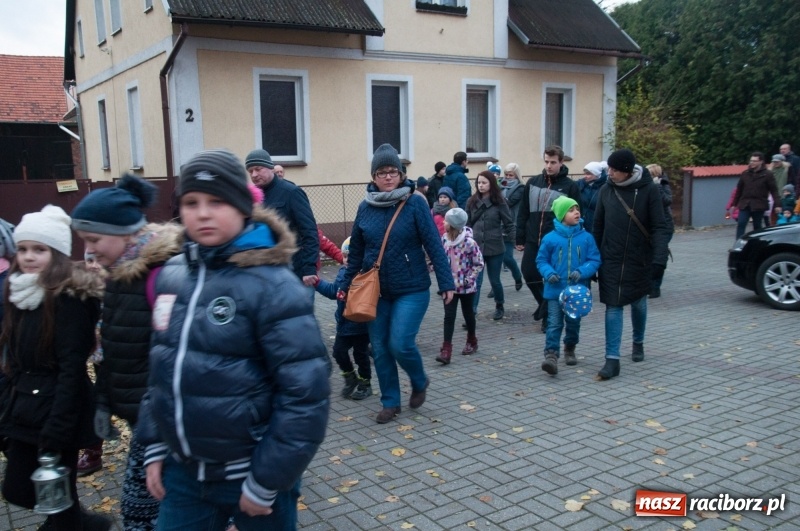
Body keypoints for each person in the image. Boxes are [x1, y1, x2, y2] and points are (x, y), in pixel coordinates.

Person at [137, 149, 330, 530]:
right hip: (185, 474)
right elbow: (162, 368)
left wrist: (267, 480)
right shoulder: (172, 275)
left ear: (243, 206)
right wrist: (155, 444)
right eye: (191, 202)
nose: (203, 213)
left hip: (254, 477)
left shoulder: (273, 285)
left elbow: (306, 395)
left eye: (217, 201)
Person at [72, 174, 183, 531]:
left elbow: (179, 359)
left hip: (169, 428)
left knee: (145, 515)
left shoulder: (162, 275)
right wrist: (104, 400)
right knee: (141, 513)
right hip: (145, 423)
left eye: (94, 239)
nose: (88, 250)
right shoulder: (119, 275)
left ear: (125, 232)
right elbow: (115, 349)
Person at [0, 205, 111, 531]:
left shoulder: (68, 300)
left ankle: (77, 525)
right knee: (20, 489)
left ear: (59, 254)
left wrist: (58, 428)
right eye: (23, 249)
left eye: (39, 249)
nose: (29, 256)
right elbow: (16, 359)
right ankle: (85, 525)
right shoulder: (21, 291)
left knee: (55, 498)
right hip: (25, 405)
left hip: (58, 410)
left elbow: (71, 370)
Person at [341, 143, 455, 424]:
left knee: (400, 343)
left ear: (402, 174)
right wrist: (344, 285)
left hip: (412, 287)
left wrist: (446, 282)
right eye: (382, 172)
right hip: (376, 291)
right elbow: (355, 251)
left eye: (393, 171)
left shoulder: (415, 202)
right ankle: (390, 402)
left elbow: (434, 244)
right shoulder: (365, 207)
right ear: (373, 177)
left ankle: (419, 380)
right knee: (379, 347)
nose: (388, 177)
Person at [592, 149, 670, 380]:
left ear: (627, 171)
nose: (610, 173)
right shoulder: (606, 190)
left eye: (615, 170)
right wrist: (595, 260)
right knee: (613, 306)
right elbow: (598, 227)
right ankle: (612, 359)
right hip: (611, 259)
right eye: (609, 168)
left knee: (638, 303)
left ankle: (638, 342)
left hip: (639, 259)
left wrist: (659, 259)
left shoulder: (649, 191)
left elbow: (659, 227)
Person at [516, 145, 581, 332]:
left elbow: (577, 216)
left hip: (556, 242)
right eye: (546, 161)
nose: (549, 166)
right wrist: (519, 237)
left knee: (552, 278)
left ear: (561, 162)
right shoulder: (533, 183)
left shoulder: (570, 186)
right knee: (529, 273)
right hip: (532, 239)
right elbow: (523, 212)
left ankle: (548, 316)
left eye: (553, 162)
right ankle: (545, 307)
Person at [535, 197, 601, 375]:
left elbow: (594, 259)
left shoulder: (586, 237)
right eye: (571, 210)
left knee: (573, 323)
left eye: (577, 209)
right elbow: (541, 260)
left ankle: (570, 347)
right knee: (554, 324)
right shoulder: (550, 238)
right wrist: (548, 273)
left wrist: (583, 271)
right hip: (555, 291)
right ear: (562, 215)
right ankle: (551, 355)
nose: (577, 213)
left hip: (577, 292)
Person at [245, 149, 320, 291]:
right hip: (263, 271)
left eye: (258, 169)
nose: (254, 175)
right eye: (250, 171)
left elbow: (309, 231)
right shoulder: (252, 198)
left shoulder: (291, 192)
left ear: (270, 168)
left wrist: (309, 268)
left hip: (293, 269)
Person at [314, 237, 373, 400]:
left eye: (352, 257)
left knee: (361, 355)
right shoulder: (343, 273)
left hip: (361, 324)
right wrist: (317, 283)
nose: (347, 260)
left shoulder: (366, 275)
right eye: (345, 256)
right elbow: (334, 291)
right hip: (344, 324)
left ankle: (365, 383)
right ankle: (350, 377)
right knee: (338, 352)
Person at [436, 208, 484, 365]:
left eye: (446, 221)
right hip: (449, 286)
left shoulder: (469, 242)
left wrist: (469, 280)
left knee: (468, 314)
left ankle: (472, 339)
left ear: (454, 224)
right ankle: (446, 349)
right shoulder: (444, 239)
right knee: (449, 316)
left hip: (465, 287)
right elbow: (440, 260)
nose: (443, 222)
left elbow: (479, 263)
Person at [466, 170, 515, 321]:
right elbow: (467, 224)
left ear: (491, 184)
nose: (480, 185)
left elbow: (509, 223)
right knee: (476, 282)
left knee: (495, 280)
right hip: (476, 248)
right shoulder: (471, 201)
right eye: (478, 182)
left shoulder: (499, 202)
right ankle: (472, 312)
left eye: (484, 182)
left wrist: (513, 241)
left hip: (495, 247)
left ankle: (499, 305)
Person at [732, 152, 779, 239]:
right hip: (745, 203)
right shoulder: (745, 173)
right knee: (741, 223)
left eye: (754, 161)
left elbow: (774, 190)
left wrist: (777, 204)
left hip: (759, 204)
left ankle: (757, 244)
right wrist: (734, 204)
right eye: (751, 161)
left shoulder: (767, 174)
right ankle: (738, 244)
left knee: (757, 226)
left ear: (761, 162)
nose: (752, 163)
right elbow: (739, 190)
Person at [647, 164, 675, 298]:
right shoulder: (645, 186)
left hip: (665, 226)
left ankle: (655, 287)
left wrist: (657, 186)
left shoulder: (663, 184)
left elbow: (667, 201)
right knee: (649, 256)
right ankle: (649, 284)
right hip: (650, 226)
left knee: (659, 257)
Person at [499, 163, 524, 293]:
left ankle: (517, 276)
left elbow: (508, 203)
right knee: (496, 258)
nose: (508, 178)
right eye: (506, 175)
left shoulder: (520, 188)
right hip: (497, 224)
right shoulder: (500, 185)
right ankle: (495, 286)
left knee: (507, 257)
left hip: (510, 224)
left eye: (511, 175)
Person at [578, 161, 608, 232]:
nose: (585, 176)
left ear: (596, 174)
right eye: (585, 173)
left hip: (595, 226)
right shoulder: (581, 185)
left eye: (588, 174)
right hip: (581, 224)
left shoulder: (605, 188)